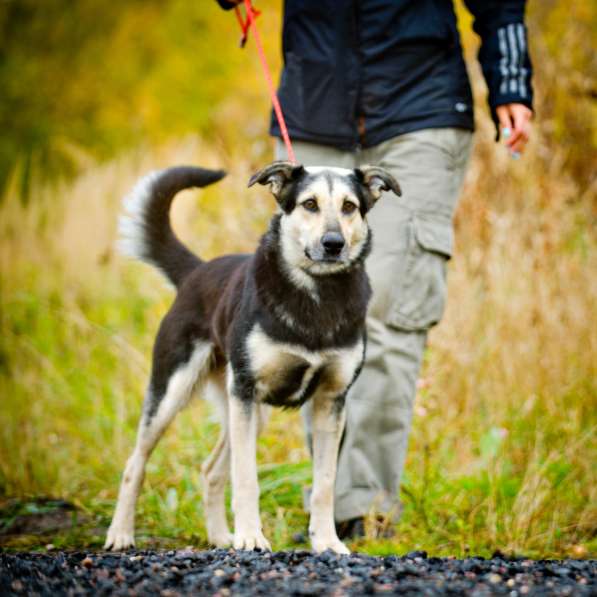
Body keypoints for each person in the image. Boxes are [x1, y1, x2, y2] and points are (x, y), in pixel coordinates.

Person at [217, 0, 533, 538]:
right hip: (312, 104)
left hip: (422, 107)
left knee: (388, 309)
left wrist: (510, 78)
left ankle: (362, 511)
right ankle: (328, 512)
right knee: (305, 318)